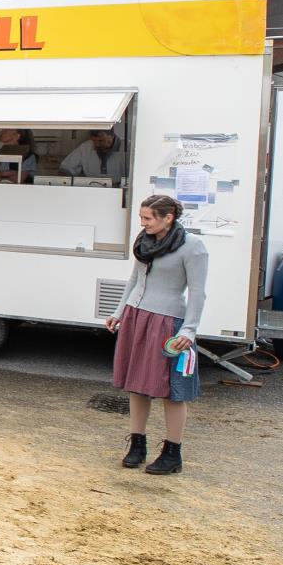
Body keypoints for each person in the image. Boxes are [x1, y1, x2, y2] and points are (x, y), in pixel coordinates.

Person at [107, 194, 208, 476]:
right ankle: (137, 445)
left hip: (167, 321)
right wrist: (118, 312)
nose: (143, 223)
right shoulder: (144, 241)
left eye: (148, 218)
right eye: (141, 217)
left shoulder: (193, 247)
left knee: (171, 390)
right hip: (136, 316)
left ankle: (172, 453)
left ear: (168, 218)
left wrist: (189, 329)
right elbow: (134, 279)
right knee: (136, 385)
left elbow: (198, 292)